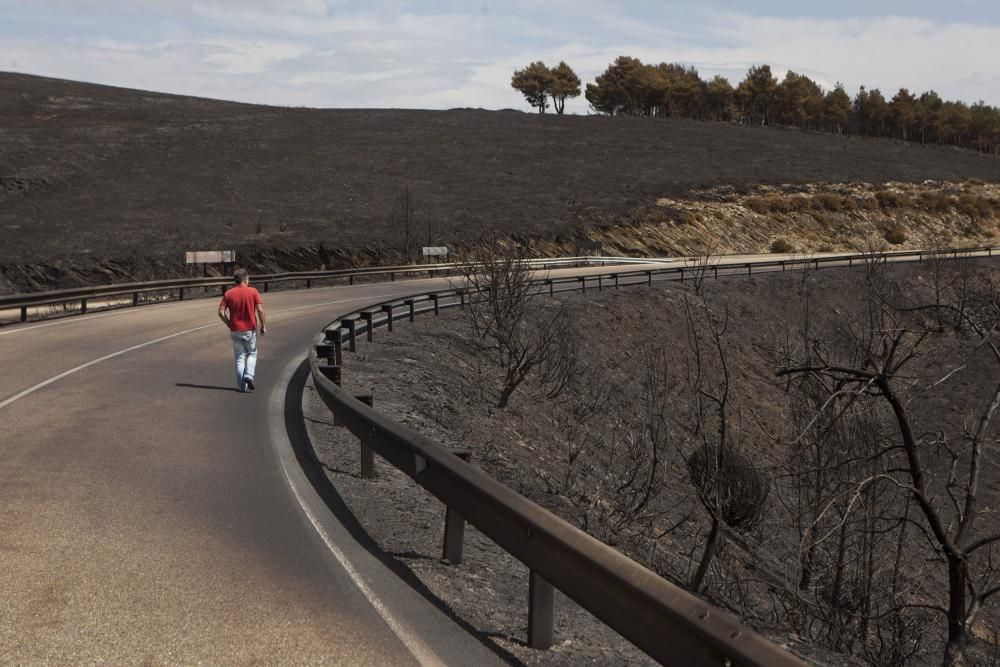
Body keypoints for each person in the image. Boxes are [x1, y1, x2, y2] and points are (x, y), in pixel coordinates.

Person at [218, 269, 267, 392]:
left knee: (239, 357)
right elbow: (260, 310)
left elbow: (220, 312)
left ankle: (242, 386)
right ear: (245, 280)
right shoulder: (253, 291)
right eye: (248, 279)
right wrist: (263, 326)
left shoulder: (228, 294)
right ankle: (249, 375)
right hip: (249, 329)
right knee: (252, 353)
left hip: (235, 330)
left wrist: (229, 323)